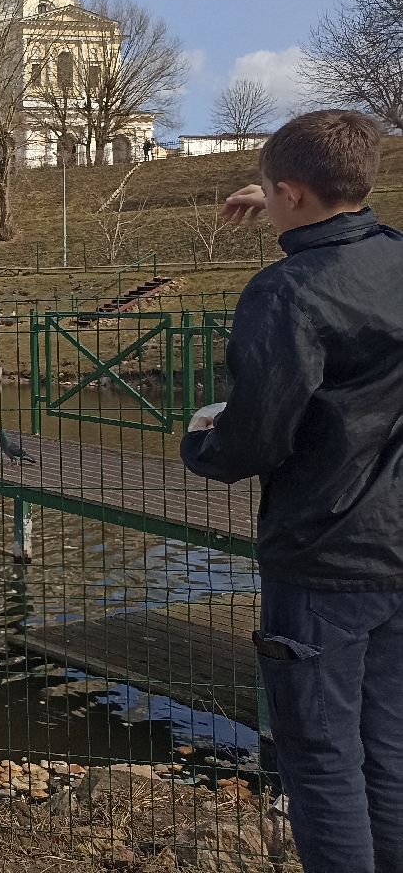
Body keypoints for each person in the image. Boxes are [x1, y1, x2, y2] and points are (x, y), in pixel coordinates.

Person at [180, 110, 403, 873]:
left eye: (275, 190)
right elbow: (343, 226)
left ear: (295, 193)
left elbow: (256, 438)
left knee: (321, 760)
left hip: (322, 557)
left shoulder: (287, 293)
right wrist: (279, 197)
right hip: (397, 551)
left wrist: (202, 440)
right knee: (389, 751)